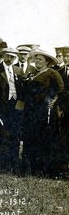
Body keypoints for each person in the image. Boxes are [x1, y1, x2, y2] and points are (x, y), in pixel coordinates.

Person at [22, 47, 65, 178]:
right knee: (31, 138)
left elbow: (61, 89)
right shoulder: (32, 73)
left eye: (40, 59)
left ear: (47, 62)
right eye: (36, 59)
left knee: (44, 139)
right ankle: (31, 168)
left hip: (44, 112)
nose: (37, 61)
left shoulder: (52, 73)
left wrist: (54, 101)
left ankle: (45, 170)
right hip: (31, 111)